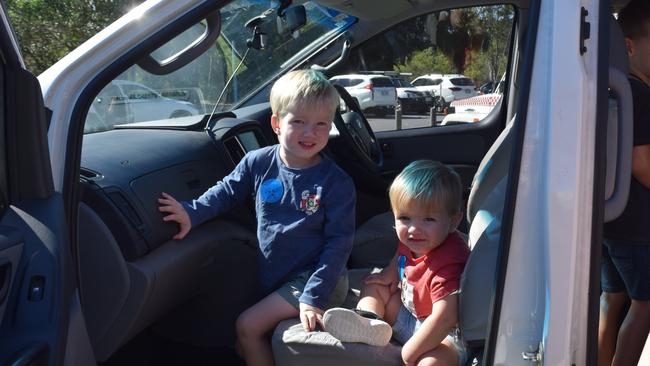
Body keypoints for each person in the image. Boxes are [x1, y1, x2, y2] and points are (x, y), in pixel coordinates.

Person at [157, 69, 356, 366]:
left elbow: (339, 244)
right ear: (276, 124)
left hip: (316, 278)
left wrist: (313, 295)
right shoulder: (258, 162)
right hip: (276, 274)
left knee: (247, 326)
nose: (309, 133)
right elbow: (227, 192)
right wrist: (192, 212)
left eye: (321, 125)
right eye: (298, 122)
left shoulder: (335, 182)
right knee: (242, 342)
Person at [323, 160, 469, 366]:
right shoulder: (416, 241)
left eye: (428, 219)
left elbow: (445, 318)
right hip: (411, 314)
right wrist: (389, 274)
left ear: (453, 222)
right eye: (405, 218)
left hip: (444, 335)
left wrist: (409, 353)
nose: (413, 229)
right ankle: (368, 322)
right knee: (375, 285)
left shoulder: (449, 263)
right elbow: (400, 256)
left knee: (433, 362)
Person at [599, 1, 650, 365]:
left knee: (612, 299)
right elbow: (641, 163)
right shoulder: (642, 95)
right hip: (638, 226)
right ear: (629, 46)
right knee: (644, 306)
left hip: (611, 221)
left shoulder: (614, 91)